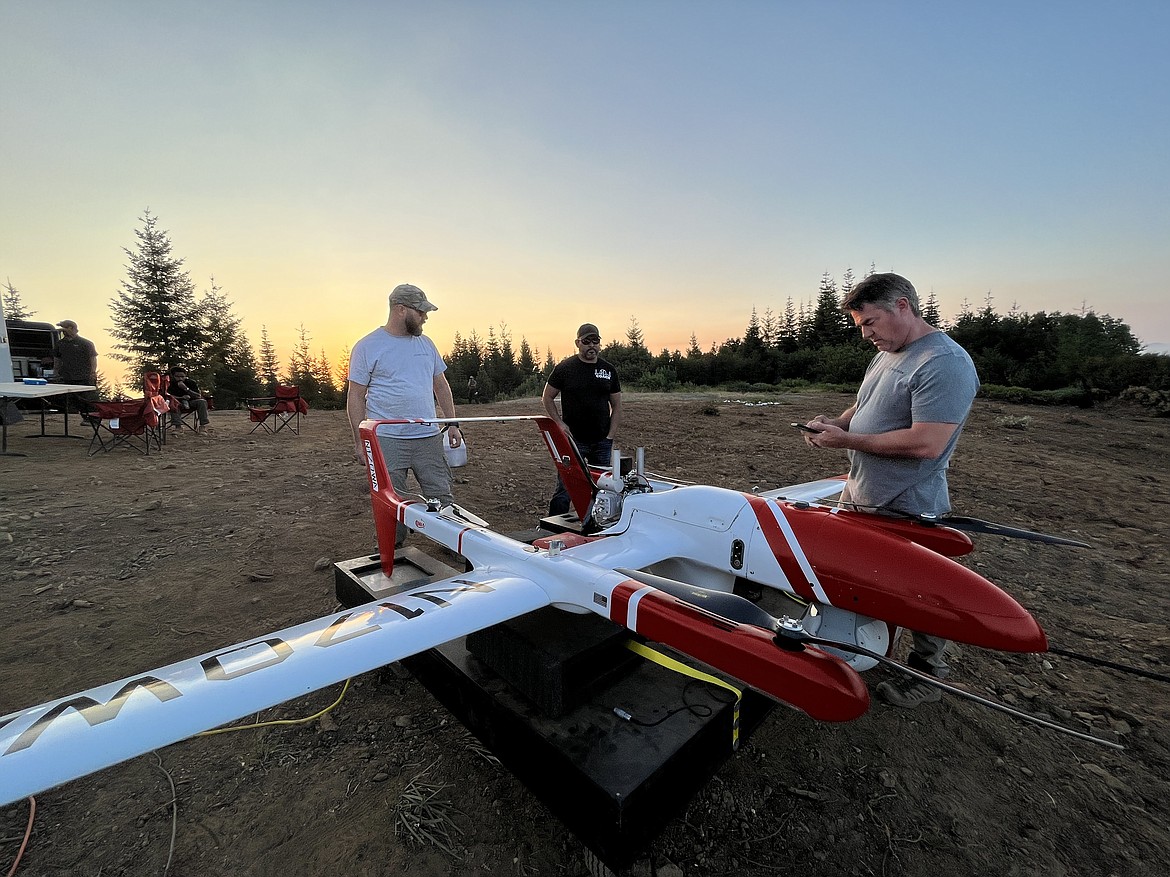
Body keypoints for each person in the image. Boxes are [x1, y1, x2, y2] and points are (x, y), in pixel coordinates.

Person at [798, 273, 979, 708]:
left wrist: (847, 441)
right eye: (860, 325)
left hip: (907, 502)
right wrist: (837, 424)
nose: (866, 334)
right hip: (863, 494)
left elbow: (926, 442)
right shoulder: (889, 352)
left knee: (919, 591)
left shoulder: (943, 362)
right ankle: (857, 645)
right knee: (855, 574)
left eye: (870, 322)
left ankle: (928, 673)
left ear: (903, 306)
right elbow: (864, 405)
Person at [347, 283, 463, 546]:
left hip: (428, 437)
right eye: (420, 312)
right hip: (387, 439)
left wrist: (452, 423)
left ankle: (451, 543)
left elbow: (441, 385)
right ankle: (393, 546)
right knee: (390, 499)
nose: (425, 317)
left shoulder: (426, 344)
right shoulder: (368, 346)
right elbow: (355, 396)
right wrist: (359, 441)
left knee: (441, 494)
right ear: (400, 310)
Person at [542, 322, 622, 516]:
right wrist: (559, 424)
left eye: (596, 341)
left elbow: (617, 405)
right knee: (565, 487)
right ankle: (553, 529)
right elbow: (547, 397)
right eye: (587, 341)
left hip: (602, 441)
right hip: (573, 440)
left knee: (602, 488)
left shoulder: (608, 370)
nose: (591, 346)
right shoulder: (565, 368)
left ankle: (596, 523)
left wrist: (610, 436)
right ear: (578, 343)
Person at [52, 320, 98, 412]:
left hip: (84, 377)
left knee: (88, 400)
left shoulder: (86, 343)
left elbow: (93, 358)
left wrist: (92, 373)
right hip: (66, 377)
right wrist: (55, 372)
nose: (63, 332)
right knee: (70, 402)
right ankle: (72, 420)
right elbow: (57, 359)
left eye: (65, 329)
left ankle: (90, 419)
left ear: (72, 329)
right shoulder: (60, 344)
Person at [167, 367, 212, 434]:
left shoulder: (191, 382)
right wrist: (181, 398)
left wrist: (186, 389)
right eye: (177, 376)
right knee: (173, 404)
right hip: (177, 403)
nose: (180, 379)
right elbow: (167, 396)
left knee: (202, 402)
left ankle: (202, 426)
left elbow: (198, 396)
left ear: (186, 376)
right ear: (173, 376)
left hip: (191, 402)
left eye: (182, 376)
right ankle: (178, 427)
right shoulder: (169, 384)